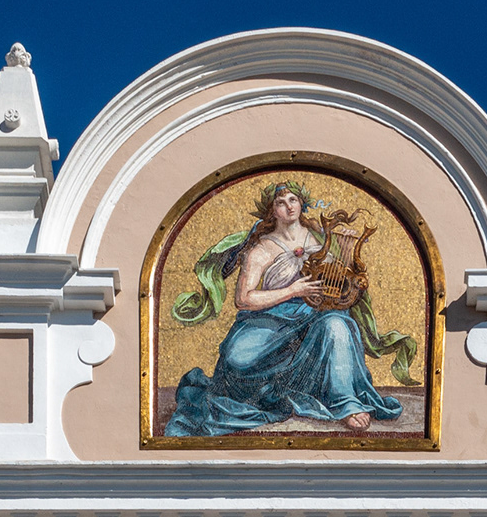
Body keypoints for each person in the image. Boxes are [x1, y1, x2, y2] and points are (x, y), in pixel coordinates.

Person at [164, 181, 416, 437]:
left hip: (318, 315)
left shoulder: (323, 237)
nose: (288, 207)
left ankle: (345, 402)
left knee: (337, 325)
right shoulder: (261, 249)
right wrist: (292, 291)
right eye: (281, 202)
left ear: (301, 203)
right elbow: (243, 299)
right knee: (236, 357)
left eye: (293, 200)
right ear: (272, 210)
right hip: (273, 319)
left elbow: (342, 278)